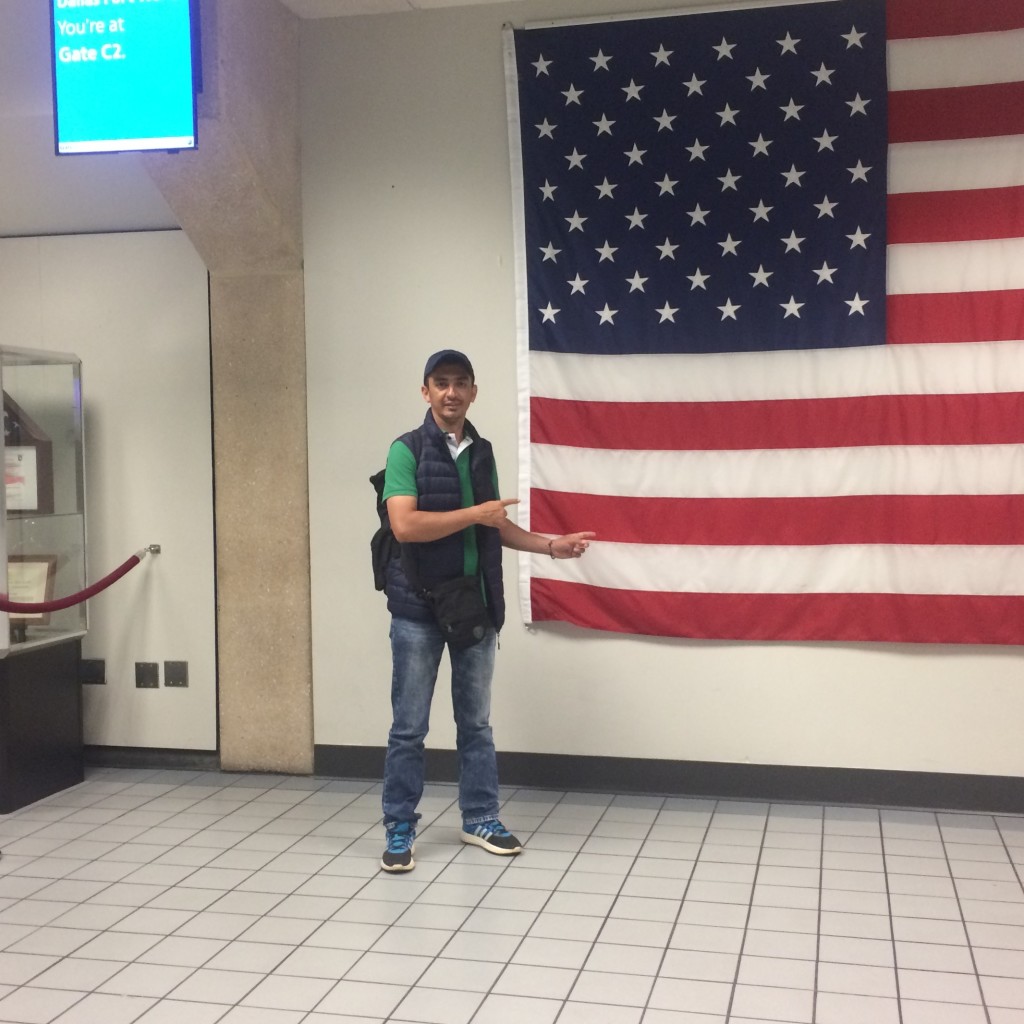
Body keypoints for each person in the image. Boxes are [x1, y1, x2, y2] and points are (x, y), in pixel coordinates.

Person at [378, 349, 595, 873]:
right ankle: (399, 826)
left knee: (476, 725)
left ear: (473, 392)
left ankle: (480, 818)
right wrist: (475, 513)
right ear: (425, 391)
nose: (451, 392)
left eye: (461, 383)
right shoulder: (405, 450)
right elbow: (405, 525)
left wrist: (551, 546)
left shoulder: (482, 451)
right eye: (441, 383)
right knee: (409, 728)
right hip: (418, 611)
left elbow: (495, 524)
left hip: (473, 607)